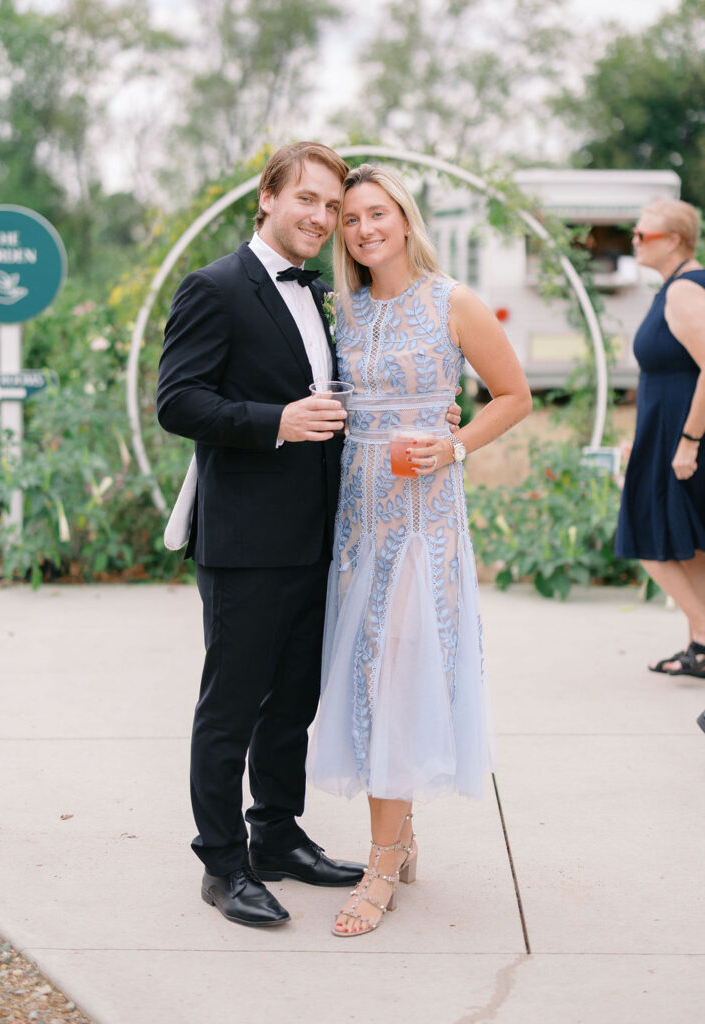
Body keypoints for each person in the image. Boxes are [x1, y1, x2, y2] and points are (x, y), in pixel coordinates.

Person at [156, 141, 464, 928]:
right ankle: (223, 864)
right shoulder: (215, 288)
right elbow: (179, 402)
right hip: (246, 542)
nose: (323, 219)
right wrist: (277, 423)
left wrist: (440, 419)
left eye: (334, 207)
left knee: (290, 703)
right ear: (267, 198)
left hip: (323, 538)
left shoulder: (328, 297)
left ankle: (277, 835)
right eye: (310, 202)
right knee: (231, 707)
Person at [306, 164, 532, 937]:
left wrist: (456, 447)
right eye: (351, 220)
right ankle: (398, 840)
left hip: (423, 518)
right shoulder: (347, 310)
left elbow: (515, 395)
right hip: (356, 518)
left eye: (378, 214)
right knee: (368, 672)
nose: (365, 229)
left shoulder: (452, 300)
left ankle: (378, 868)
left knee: (392, 674)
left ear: (404, 219)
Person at [614, 200, 705, 679]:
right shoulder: (674, 287)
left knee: (649, 534)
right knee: (688, 542)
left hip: (683, 437)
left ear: (674, 240)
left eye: (642, 236)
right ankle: (698, 646)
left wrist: (689, 441)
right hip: (666, 434)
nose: (634, 241)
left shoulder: (685, 290)